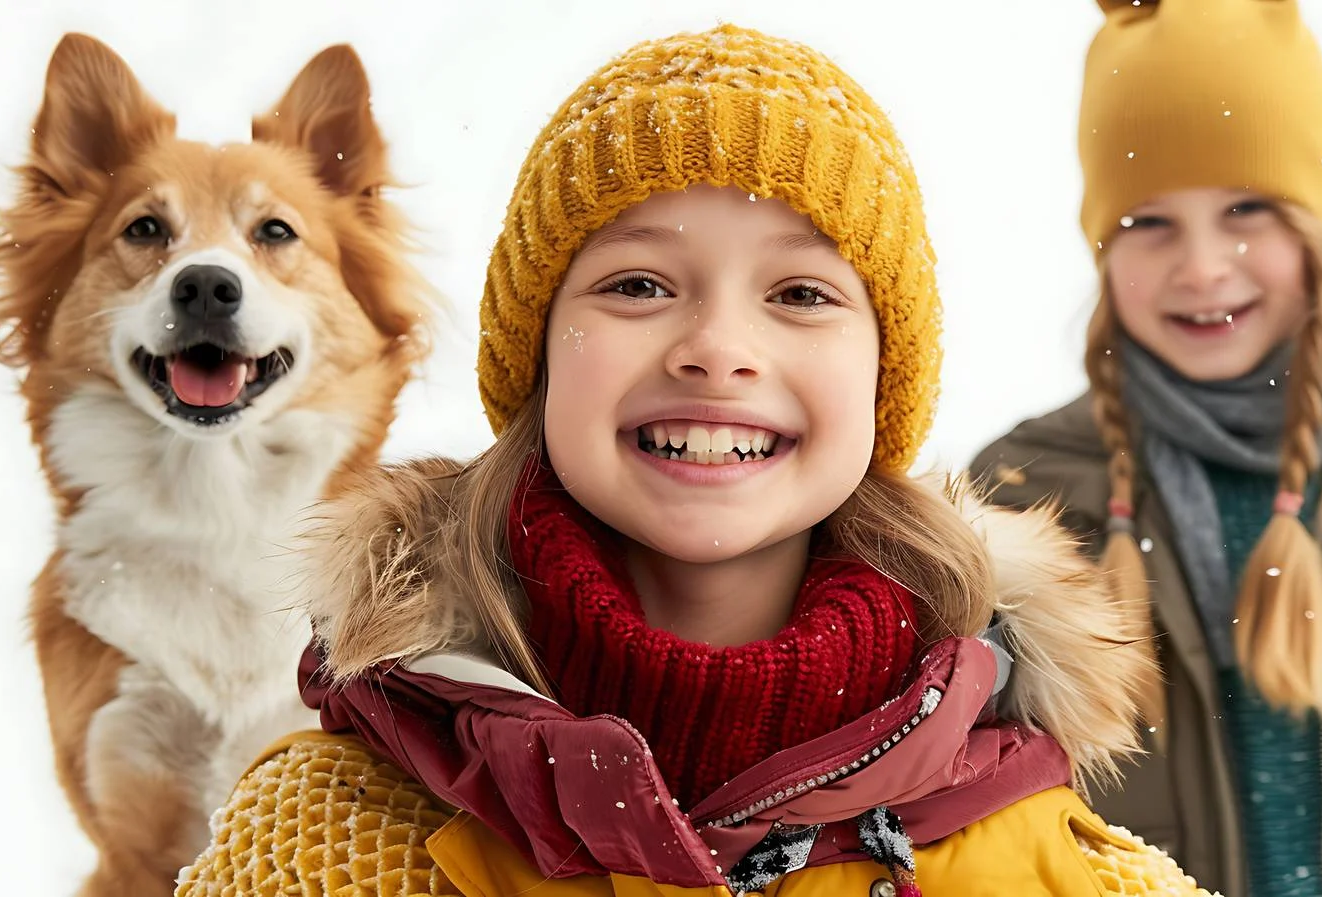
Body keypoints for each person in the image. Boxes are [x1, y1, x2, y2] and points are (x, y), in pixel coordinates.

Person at [177, 23, 1219, 896]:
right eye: (637, 285)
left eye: (800, 295)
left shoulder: (1065, 874)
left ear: (881, 378)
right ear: (539, 353)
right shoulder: (315, 848)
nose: (717, 347)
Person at [969, 2, 1322, 895]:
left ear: (1315, 222)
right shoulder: (1020, 492)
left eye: (1246, 209)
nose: (1203, 265)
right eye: (1149, 222)